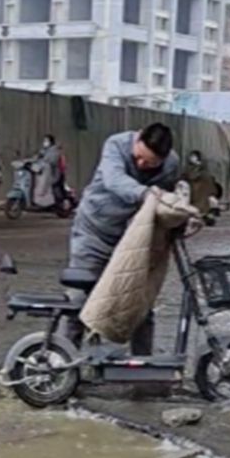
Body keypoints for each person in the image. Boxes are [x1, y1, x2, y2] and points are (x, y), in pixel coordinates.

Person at [69, 123, 180, 354]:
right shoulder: (116, 144)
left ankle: (144, 370)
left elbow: (165, 204)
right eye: (139, 157)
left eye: (150, 164)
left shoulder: (171, 165)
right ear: (137, 139)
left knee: (139, 301)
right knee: (78, 298)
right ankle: (60, 362)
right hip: (93, 229)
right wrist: (145, 193)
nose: (141, 165)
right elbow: (113, 179)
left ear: (164, 159)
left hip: (134, 238)